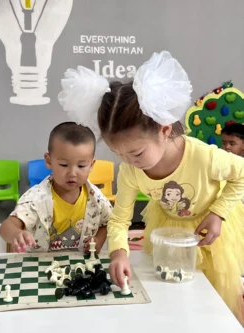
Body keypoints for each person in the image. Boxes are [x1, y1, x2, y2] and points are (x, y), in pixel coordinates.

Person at [58, 51, 244, 323]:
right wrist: (119, 253)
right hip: (169, 231)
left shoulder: (205, 157)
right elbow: (120, 218)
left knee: (212, 304)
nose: (127, 162)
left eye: (135, 153)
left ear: (165, 130)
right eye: (117, 153)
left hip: (211, 231)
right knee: (173, 301)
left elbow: (241, 175)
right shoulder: (131, 169)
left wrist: (218, 213)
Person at [0, 122, 112, 253]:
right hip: (41, 266)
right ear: (48, 161)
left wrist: (98, 240)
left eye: (81, 166)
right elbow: (6, 226)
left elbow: (108, 222)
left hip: (79, 267)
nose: (72, 173)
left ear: (91, 165)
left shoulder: (96, 198)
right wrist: (15, 234)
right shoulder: (35, 199)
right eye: (64, 165)